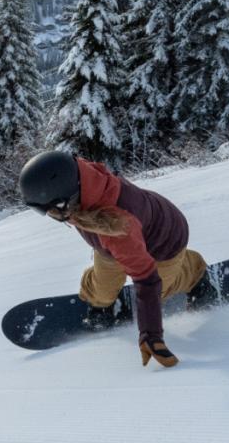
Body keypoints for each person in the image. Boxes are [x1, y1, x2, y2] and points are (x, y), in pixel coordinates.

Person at [19, 149, 218, 367]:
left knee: (162, 288)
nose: (50, 215)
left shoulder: (118, 225)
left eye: (49, 210)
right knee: (101, 288)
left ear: (63, 202)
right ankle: (103, 304)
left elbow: (147, 279)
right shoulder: (80, 178)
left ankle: (192, 271)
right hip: (110, 243)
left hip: (164, 240)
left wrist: (150, 334)